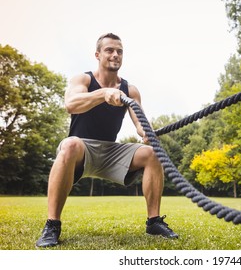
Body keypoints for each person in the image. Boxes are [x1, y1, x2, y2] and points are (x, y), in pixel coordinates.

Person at [36, 33, 178, 247]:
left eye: (119, 51)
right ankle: (52, 225)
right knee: (70, 144)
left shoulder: (130, 90)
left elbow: (140, 123)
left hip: (111, 151)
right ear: (97, 54)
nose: (115, 55)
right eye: (110, 50)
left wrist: (146, 132)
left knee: (151, 153)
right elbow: (71, 104)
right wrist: (102, 94)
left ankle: (154, 221)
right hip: (81, 150)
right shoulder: (83, 79)